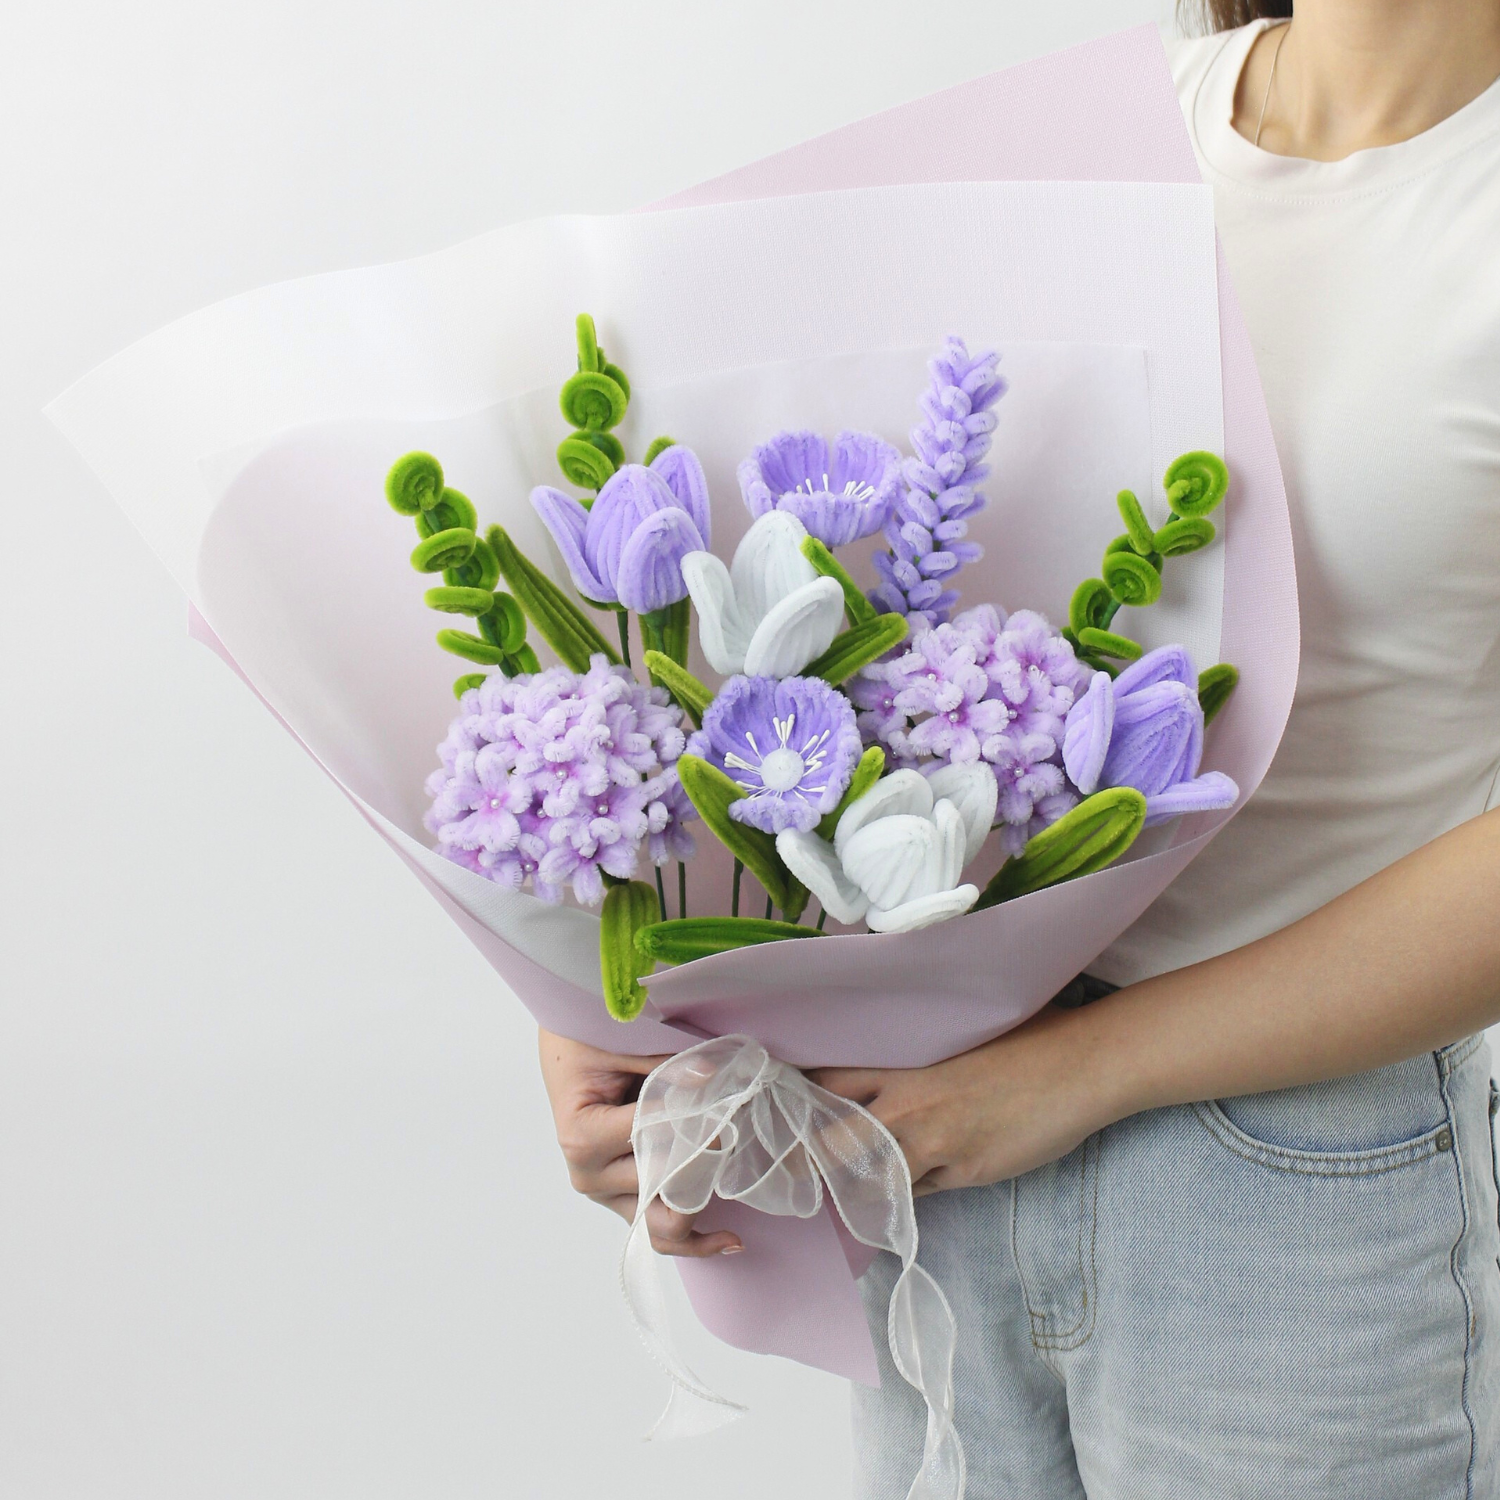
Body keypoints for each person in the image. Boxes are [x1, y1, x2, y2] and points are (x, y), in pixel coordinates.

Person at [538, 1, 1500, 1491]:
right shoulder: (1086, 141)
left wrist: (1082, 1073)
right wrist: (614, 1008)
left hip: (1292, 1177)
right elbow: (813, 604)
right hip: (925, 1134)